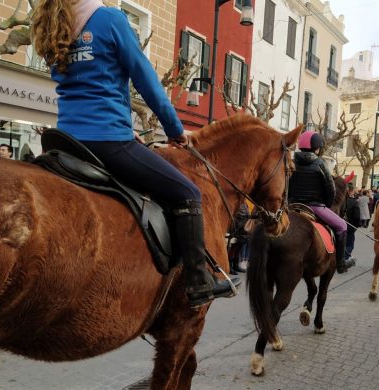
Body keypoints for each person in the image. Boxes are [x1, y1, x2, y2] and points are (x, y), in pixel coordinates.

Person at [31, 0, 236, 308]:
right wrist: (174, 128)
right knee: (188, 192)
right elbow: (146, 80)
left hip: (66, 140)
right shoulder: (110, 18)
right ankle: (197, 281)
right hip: (107, 139)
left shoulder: (52, 21)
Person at [288, 131, 355, 274]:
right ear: (317, 147)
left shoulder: (292, 162)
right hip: (315, 207)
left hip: (292, 206)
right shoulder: (320, 163)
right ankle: (341, 263)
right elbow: (330, 188)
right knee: (342, 226)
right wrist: (327, 204)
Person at [344, 183, 361, 264]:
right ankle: (345, 259)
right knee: (350, 243)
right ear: (352, 191)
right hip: (350, 225)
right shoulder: (354, 202)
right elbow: (357, 216)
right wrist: (356, 226)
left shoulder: (339, 200)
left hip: (339, 225)